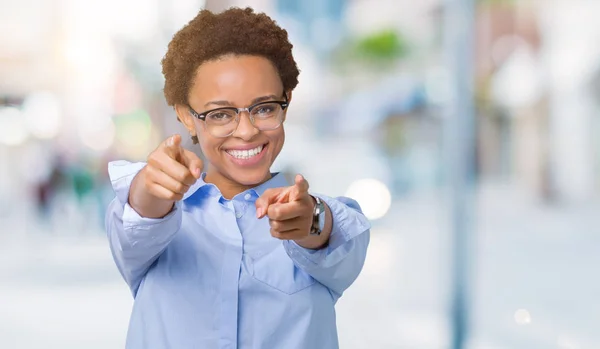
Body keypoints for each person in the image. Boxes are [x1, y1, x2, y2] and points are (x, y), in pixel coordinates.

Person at [105, 7, 370, 349]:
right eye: (220, 114)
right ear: (187, 116)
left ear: (285, 102)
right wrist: (150, 187)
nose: (246, 131)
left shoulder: (317, 218)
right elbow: (137, 224)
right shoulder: (158, 218)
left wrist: (311, 222)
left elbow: (341, 245)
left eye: (264, 108)